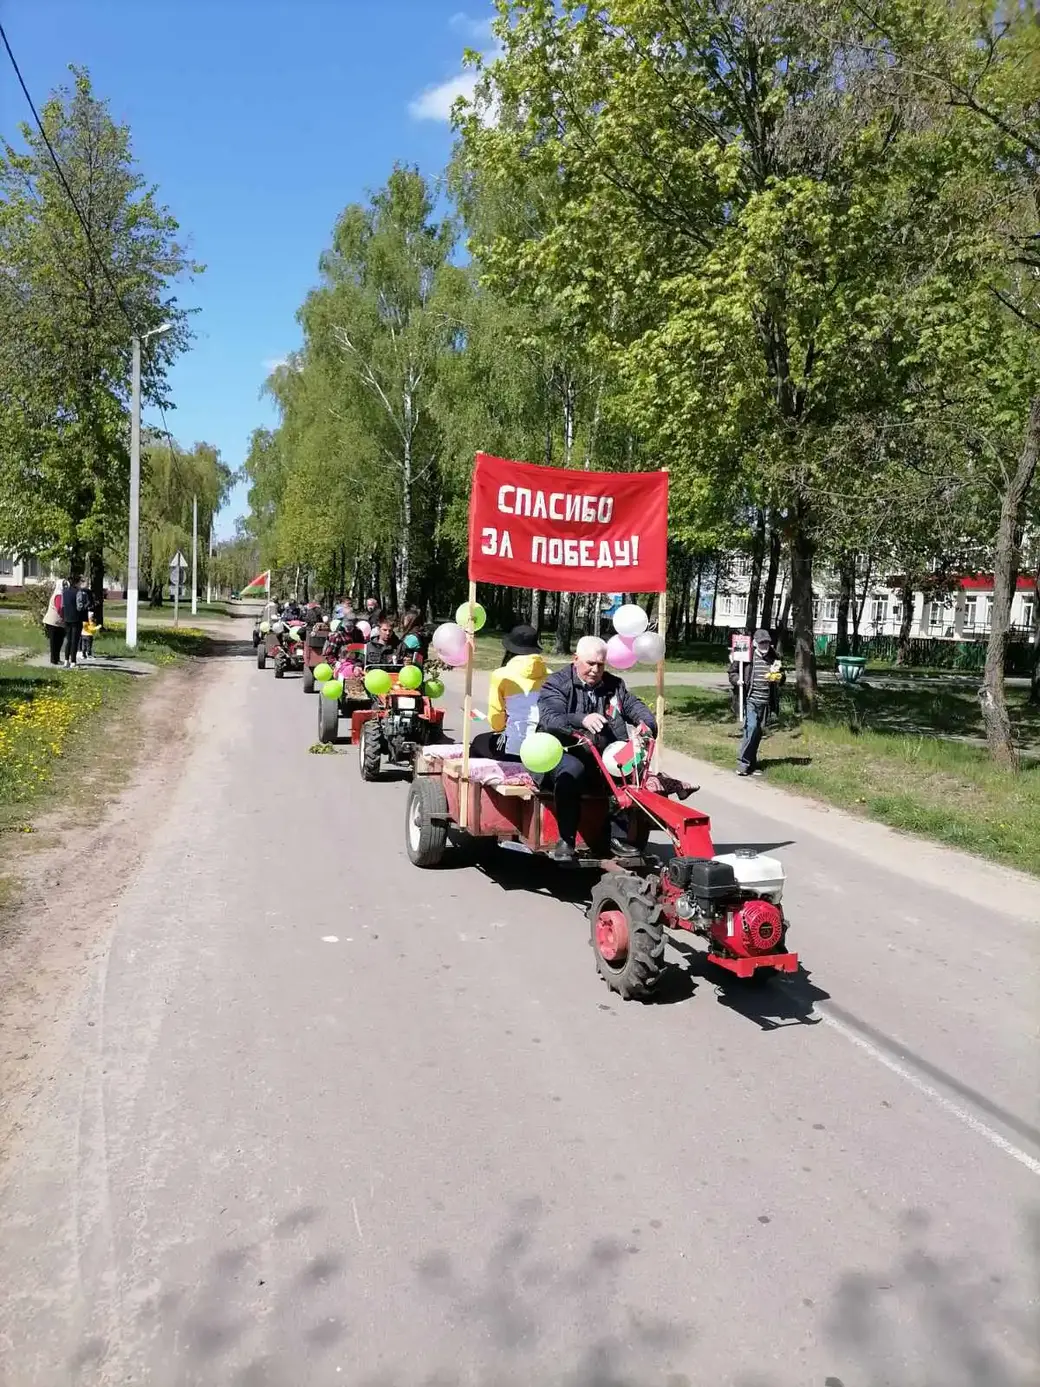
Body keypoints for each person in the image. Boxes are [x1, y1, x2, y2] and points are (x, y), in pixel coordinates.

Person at [536, 635, 657, 863]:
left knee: (628, 768)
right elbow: (550, 717)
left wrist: (646, 725)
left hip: (601, 753)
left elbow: (634, 706)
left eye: (600, 664)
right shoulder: (557, 683)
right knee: (571, 771)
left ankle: (615, 837)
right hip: (562, 749)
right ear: (575, 659)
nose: (595, 670)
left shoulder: (614, 685)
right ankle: (566, 839)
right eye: (590, 663)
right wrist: (581, 719)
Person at [470, 625, 549, 761]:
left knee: (478, 743)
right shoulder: (550, 675)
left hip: (514, 749)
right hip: (544, 748)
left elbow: (496, 723)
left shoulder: (501, 675)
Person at [729, 627, 785, 777]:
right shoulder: (746, 656)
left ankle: (751, 764)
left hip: (765, 702)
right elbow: (732, 672)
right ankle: (742, 763)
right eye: (761, 643)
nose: (765, 646)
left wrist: (779, 677)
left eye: (767, 643)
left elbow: (782, 675)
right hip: (750, 700)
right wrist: (737, 680)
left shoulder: (774, 657)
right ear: (754, 643)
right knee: (751, 728)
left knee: (757, 733)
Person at [62, 578, 90, 669]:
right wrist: (86, 605)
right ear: (77, 583)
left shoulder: (64, 592)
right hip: (76, 619)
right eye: (80, 582)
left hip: (67, 618)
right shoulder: (78, 592)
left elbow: (62, 605)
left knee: (68, 640)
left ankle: (66, 661)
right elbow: (79, 607)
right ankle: (73, 661)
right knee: (75, 641)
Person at [43, 580, 65, 666]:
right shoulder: (58, 595)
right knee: (55, 642)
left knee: (59, 641)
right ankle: (54, 659)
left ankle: (57, 658)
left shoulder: (61, 594)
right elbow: (59, 608)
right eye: (64, 585)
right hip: (53, 622)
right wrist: (64, 616)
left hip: (58, 622)